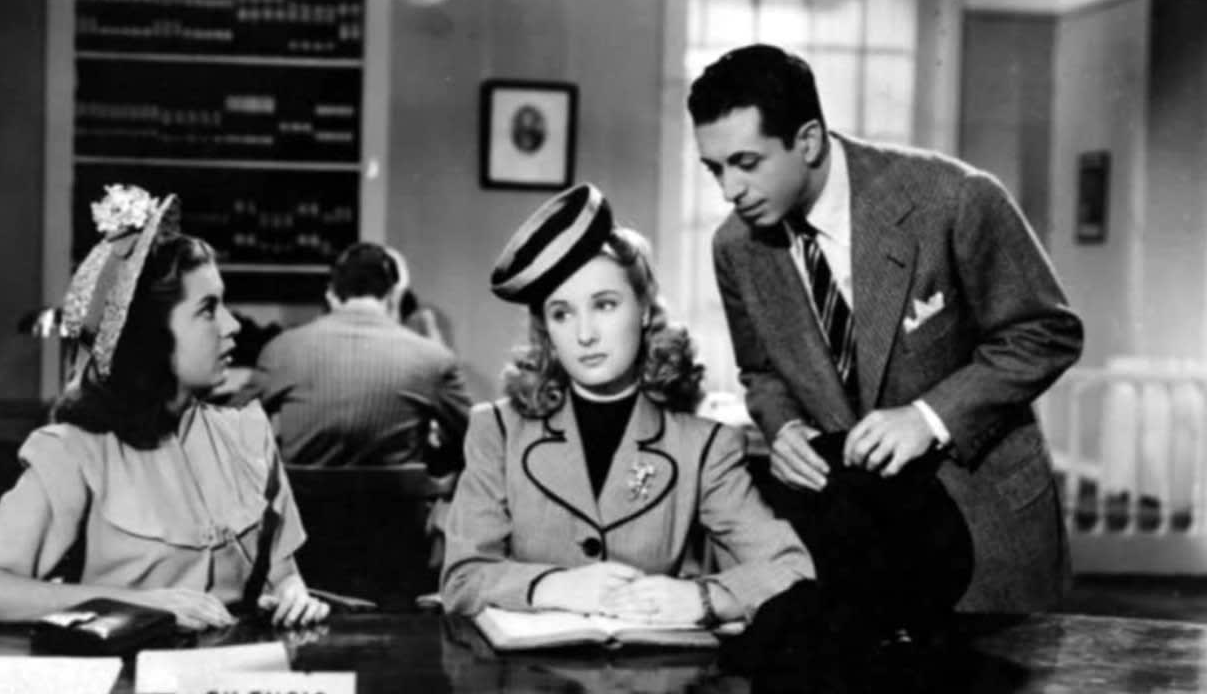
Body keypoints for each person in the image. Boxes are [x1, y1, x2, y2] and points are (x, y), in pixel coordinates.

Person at [688, 44, 1084, 612]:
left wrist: (930, 417)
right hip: (859, 538)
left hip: (987, 522)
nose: (730, 190)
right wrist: (785, 428)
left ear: (808, 141)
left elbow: (1046, 331)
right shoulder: (735, 247)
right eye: (715, 169)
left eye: (746, 163)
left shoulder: (954, 198)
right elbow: (762, 372)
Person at [0, 185, 329, 629]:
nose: (232, 325)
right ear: (152, 335)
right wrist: (137, 603)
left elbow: (285, 576)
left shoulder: (248, 436)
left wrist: (295, 597)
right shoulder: (76, 452)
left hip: (237, 664)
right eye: (208, 309)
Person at [442, 183, 812, 625]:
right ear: (546, 330)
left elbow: (791, 568)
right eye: (562, 313)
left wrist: (705, 598)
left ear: (644, 309)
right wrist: (554, 586)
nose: (584, 334)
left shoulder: (704, 446)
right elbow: (462, 579)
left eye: (604, 305)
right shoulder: (498, 431)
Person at [235, 242, 471, 471]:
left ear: (331, 295)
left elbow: (228, 427)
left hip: (303, 499)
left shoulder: (283, 350)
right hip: (399, 499)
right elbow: (474, 437)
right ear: (392, 296)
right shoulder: (433, 359)